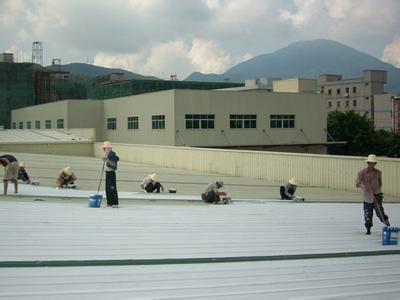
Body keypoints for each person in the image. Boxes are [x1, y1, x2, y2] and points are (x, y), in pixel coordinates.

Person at [355, 154, 390, 235]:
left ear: (375, 164)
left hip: (377, 195)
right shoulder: (361, 173)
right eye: (370, 163)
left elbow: (380, 183)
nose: (371, 164)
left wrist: (377, 190)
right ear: (367, 163)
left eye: (373, 163)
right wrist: (361, 186)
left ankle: (388, 226)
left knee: (380, 212)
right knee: (368, 213)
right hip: (367, 196)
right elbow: (357, 183)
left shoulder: (378, 172)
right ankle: (368, 229)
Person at [102, 141, 119, 208]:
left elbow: (114, 164)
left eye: (105, 148)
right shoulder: (108, 154)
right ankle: (109, 202)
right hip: (108, 173)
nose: (103, 149)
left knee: (112, 188)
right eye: (103, 148)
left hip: (111, 173)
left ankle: (114, 203)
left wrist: (107, 160)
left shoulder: (112, 154)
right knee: (107, 188)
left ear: (108, 148)